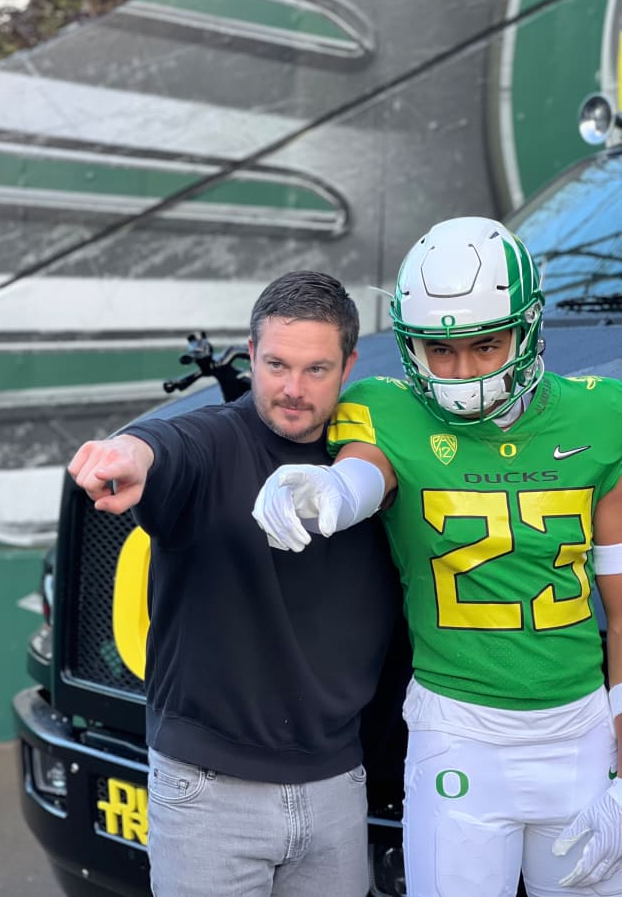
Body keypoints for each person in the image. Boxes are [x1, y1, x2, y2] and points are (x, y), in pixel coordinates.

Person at [253, 217, 622, 897]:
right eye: (438, 349)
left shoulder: (602, 415)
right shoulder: (386, 410)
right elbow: (369, 471)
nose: (462, 371)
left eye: (486, 344)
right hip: (460, 731)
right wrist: (331, 488)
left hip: (580, 735)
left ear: (529, 327)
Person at [67, 270, 405, 897]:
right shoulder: (215, 443)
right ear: (250, 354)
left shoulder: (378, 455)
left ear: (350, 364)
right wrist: (128, 454)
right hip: (210, 798)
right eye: (276, 364)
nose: (293, 390)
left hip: (337, 786)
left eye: (316, 370)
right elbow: (166, 444)